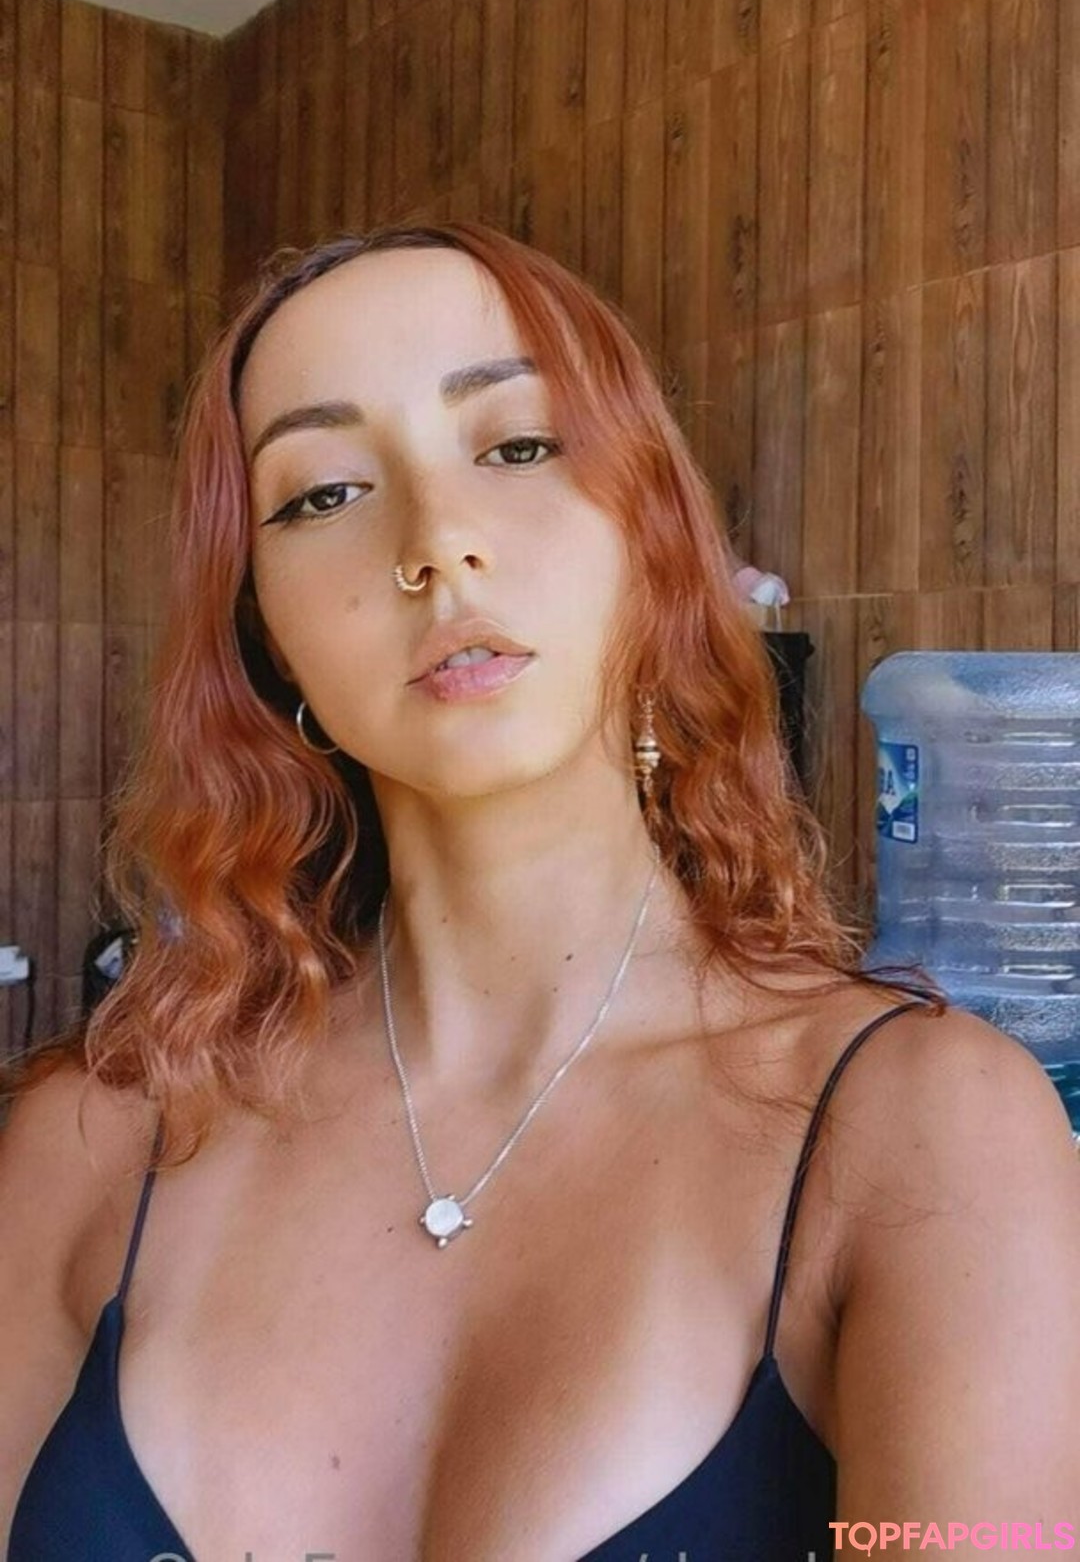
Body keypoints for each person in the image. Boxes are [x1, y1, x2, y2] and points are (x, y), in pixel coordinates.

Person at [1, 223, 1077, 1561]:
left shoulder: (925, 1133)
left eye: (516, 447)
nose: (438, 542)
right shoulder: (90, 1145)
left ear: (653, 539)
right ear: (266, 635)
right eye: (323, 494)